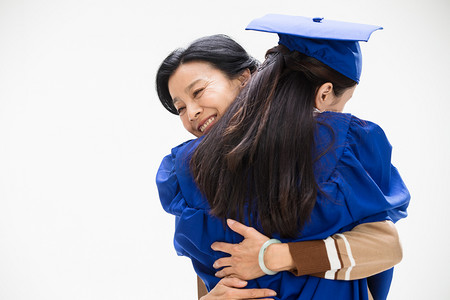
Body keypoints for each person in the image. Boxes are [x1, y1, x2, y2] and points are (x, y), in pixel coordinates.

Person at [156, 19, 409, 299]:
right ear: (324, 93)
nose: (191, 112)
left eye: (198, 92)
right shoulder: (192, 169)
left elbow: (383, 247)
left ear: (245, 79)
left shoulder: (328, 149)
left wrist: (276, 256)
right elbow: (211, 265)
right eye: (179, 107)